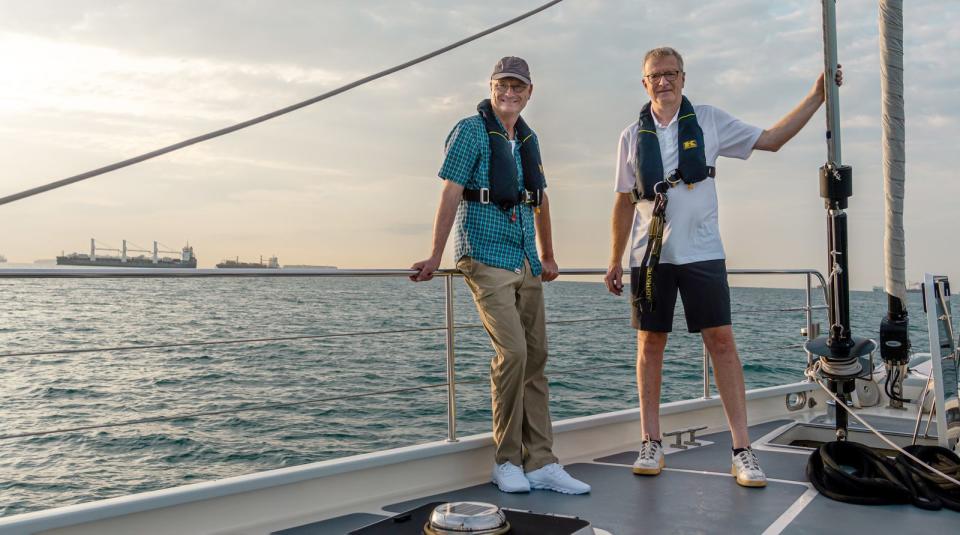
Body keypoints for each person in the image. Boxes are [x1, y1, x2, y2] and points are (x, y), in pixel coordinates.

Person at [603, 46, 842, 487]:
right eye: (656, 75)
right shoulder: (629, 137)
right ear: (644, 83)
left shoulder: (710, 121)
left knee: (723, 343)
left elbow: (772, 139)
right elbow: (622, 200)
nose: (664, 81)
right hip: (649, 258)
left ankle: (742, 449)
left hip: (703, 253)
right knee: (649, 345)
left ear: (683, 78)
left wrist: (817, 97)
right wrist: (615, 259)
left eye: (672, 74)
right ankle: (650, 441)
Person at [411, 56, 590, 495]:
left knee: (536, 359)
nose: (510, 93)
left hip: (525, 259)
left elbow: (540, 200)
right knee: (512, 354)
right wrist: (434, 255)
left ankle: (542, 462)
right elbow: (451, 190)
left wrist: (547, 254)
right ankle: (506, 460)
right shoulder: (470, 131)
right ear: (491, 87)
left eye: (519, 87)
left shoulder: (529, 139)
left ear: (530, 93)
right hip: (485, 255)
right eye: (503, 85)